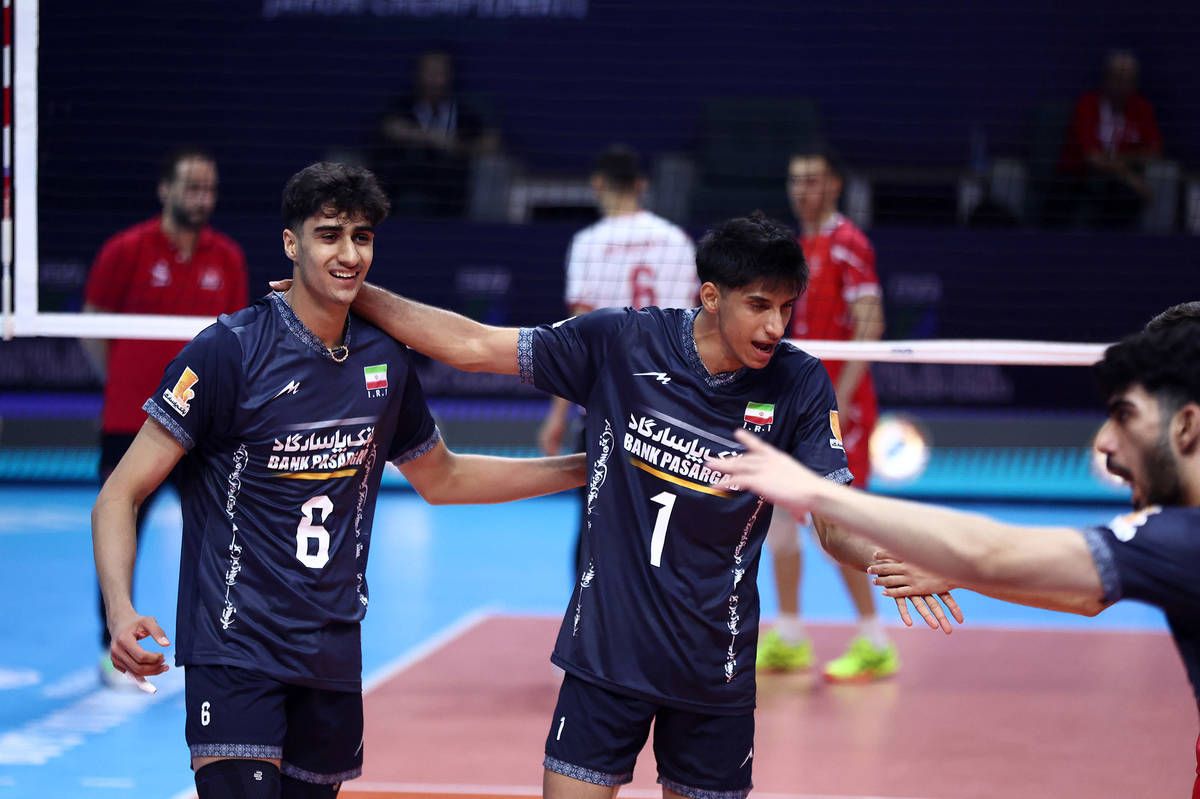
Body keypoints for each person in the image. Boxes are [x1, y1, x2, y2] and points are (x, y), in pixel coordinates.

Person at [325, 211, 958, 799]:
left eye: (786, 308)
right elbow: (473, 345)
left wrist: (893, 556)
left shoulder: (799, 381)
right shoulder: (622, 342)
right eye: (759, 306)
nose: (775, 327)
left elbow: (834, 522)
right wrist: (353, 291)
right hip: (606, 656)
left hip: (713, 668)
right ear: (711, 296)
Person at [93, 162, 586, 798]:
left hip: (330, 650)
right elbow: (119, 493)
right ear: (291, 243)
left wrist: (585, 469)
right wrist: (120, 610)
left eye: (362, 237)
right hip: (235, 645)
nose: (349, 254)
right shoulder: (227, 352)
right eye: (329, 235)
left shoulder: (385, 360)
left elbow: (444, 478)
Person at [709, 307, 1200, 797]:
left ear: (1186, 426)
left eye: (1126, 416)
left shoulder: (1185, 538)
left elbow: (993, 551)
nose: (1107, 444)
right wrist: (957, 572)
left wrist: (816, 491)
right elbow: (1085, 595)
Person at [82, 147, 248, 688]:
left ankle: (223, 643)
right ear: (165, 190)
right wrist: (124, 384)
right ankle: (115, 646)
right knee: (120, 526)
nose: (202, 198)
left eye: (209, 189)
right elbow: (92, 326)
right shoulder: (124, 250)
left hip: (204, 429)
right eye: (192, 187)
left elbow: (237, 341)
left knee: (222, 535)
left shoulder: (228, 257)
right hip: (130, 424)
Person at [756, 147, 893, 682]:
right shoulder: (795, 246)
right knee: (777, 516)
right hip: (795, 401)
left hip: (839, 409)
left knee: (835, 522)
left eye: (812, 180)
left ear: (834, 185)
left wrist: (843, 399)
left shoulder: (847, 242)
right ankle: (790, 634)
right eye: (795, 180)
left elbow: (870, 324)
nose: (802, 190)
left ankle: (875, 640)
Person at [537, 144, 698, 574]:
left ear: (598, 184)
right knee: (662, 523)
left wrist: (557, 415)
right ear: (642, 185)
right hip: (667, 405)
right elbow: (693, 328)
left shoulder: (589, 243)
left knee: (595, 525)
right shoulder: (677, 241)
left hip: (606, 403)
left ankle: (588, 611)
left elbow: (573, 337)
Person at [368, 48, 500, 217]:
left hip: (454, 186)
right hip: (408, 183)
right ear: (418, 75)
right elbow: (391, 128)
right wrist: (431, 137)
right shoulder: (404, 105)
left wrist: (457, 146)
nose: (435, 81)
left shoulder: (464, 110)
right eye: (430, 73)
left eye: (440, 73)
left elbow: (491, 142)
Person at [1056, 50, 1164, 229]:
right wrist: (1131, 179)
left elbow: (1154, 152)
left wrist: (1117, 160)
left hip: (1116, 184)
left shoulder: (1141, 108)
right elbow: (1092, 158)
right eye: (1117, 78)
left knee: (1125, 197)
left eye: (1128, 80)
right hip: (1081, 178)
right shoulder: (1088, 104)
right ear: (1106, 79)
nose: (1122, 86)